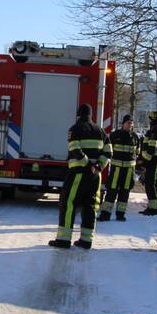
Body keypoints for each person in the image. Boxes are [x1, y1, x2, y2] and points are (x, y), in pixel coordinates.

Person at [50, 104, 111, 250]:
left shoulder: (75, 129)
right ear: (91, 115)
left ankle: (64, 240)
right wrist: (98, 167)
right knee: (90, 206)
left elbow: (74, 148)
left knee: (69, 203)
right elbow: (108, 151)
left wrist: (87, 164)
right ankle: (86, 240)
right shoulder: (101, 131)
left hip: (78, 173)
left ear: (78, 115)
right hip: (95, 176)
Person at [98, 114, 140, 222]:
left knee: (125, 192)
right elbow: (107, 149)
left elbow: (137, 152)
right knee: (111, 191)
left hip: (129, 170)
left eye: (131, 123)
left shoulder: (135, 137)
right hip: (116, 169)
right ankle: (105, 214)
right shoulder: (114, 135)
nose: (130, 125)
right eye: (128, 123)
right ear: (123, 124)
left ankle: (120, 214)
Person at [140, 112, 157, 215]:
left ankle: (153, 208)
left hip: (154, 159)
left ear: (150, 119)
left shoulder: (154, 130)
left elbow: (152, 147)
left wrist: (144, 158)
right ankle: (152, 207)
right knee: (152, 182)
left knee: (150, 182)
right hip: (155, 159)